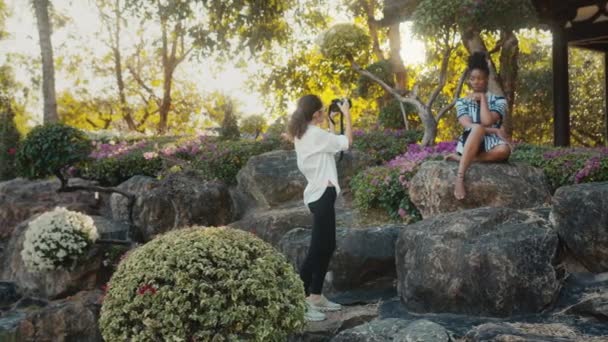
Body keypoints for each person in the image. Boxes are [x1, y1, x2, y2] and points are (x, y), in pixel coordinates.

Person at [287, 94, 352, 322]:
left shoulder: (305, 133)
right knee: (317, 248)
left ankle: (315, 295)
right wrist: (347, 116)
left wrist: (333, 124)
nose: (325, 113)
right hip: (322, 195)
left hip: (319, 195)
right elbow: (347, 142)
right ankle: (299, 300)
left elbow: (331, 146)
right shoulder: (314, 134)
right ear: (315, 114)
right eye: (323, 111)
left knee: (328, 245)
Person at [445, 52, 511, 200]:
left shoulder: (499, 100)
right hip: (471, 139)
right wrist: (494, 129)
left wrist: (482, 99)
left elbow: (487, 120)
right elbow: (468, 125)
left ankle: (464, 159)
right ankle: (460, 178)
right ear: (469, 80)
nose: (476, 82)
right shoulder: (462, 102)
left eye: (480, 78)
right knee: (477, 128)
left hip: (491, 143)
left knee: (504, 150)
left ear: (487, 79)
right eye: (473, 78)